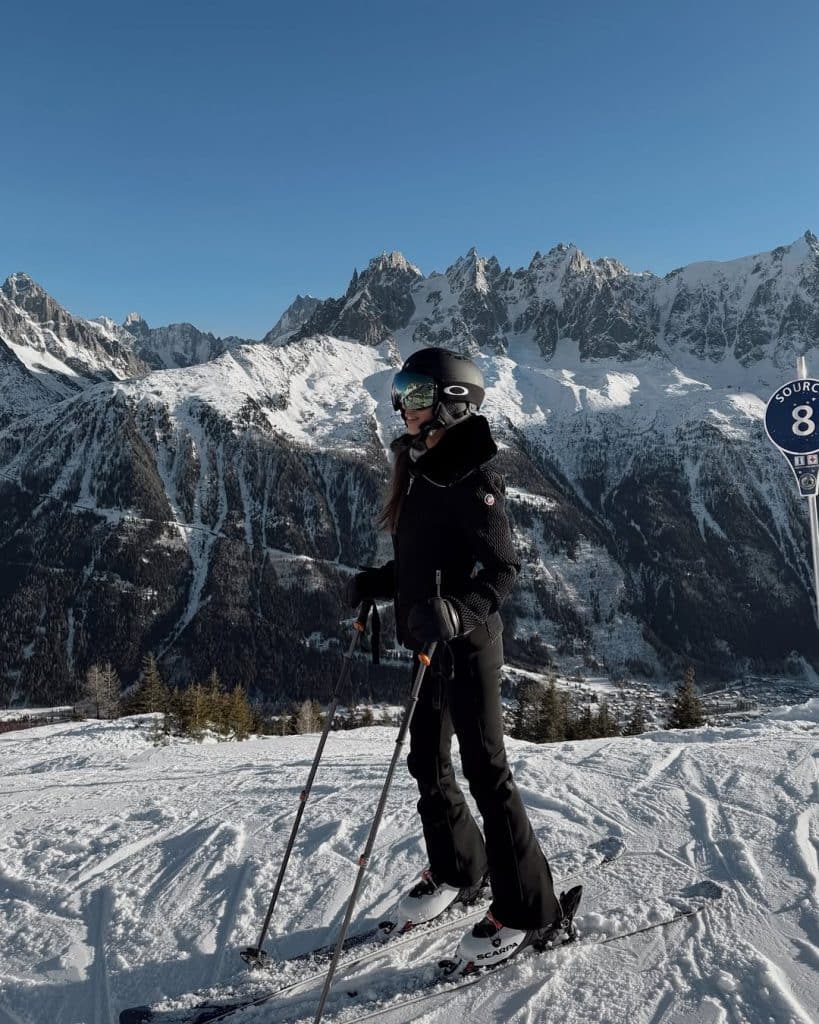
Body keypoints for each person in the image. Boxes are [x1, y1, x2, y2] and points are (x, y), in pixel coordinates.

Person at [345, 346, 568, 972]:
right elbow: (425, 563)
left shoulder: (475, 478)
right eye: (402, 392)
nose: (401, 405)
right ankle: (457, 868)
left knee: (487, 772)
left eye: (415, 394)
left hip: (467, 647)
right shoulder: (422, 465)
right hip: (427, 645)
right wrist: (380, 583)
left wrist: (457, 612)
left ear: (452, 402)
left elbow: (502, 571)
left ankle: (529, 908)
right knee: (425, 761)